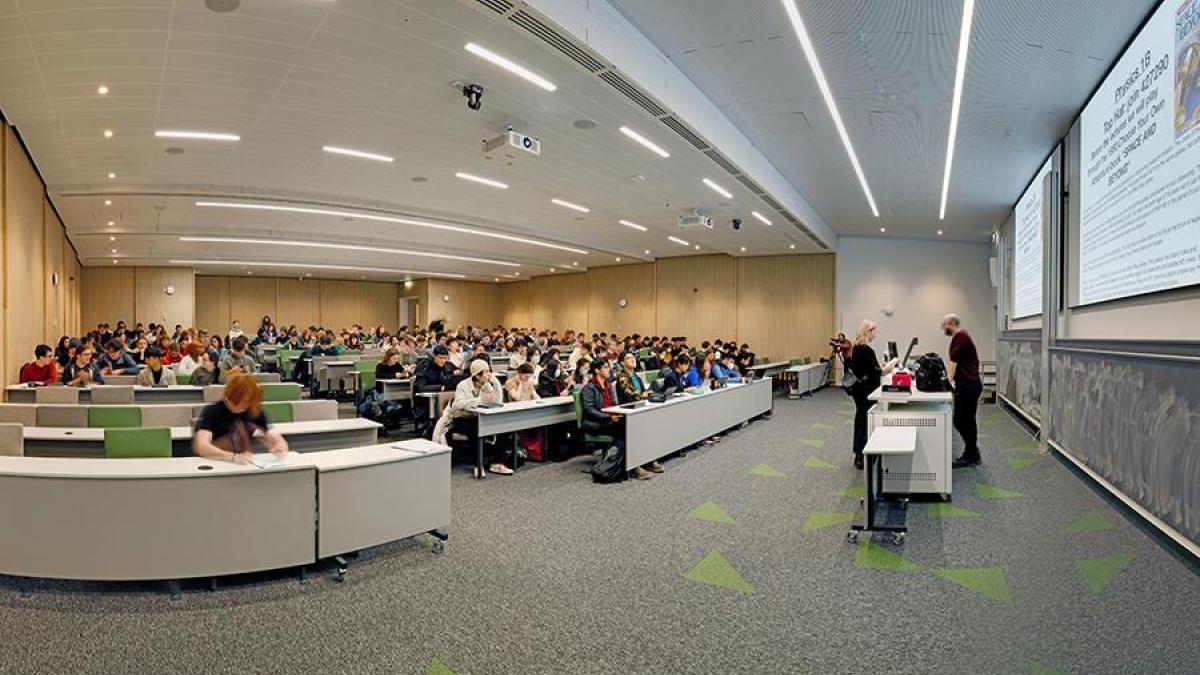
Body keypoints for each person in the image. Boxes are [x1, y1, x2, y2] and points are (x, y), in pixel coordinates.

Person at [582, 359, 652, 480]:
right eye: (605, 367)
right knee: (627, 428)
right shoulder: (589, 387)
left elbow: (615, 404)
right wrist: (609, 417)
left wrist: (618, 414)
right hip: (596, 423)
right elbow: (589, 410)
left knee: (633, 424)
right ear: (597, 370)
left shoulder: (608, 385)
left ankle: (640, 460)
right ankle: (634, 465)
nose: (608, 370)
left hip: (611, 419)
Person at [434, 359, 507, 476]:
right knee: (476, 428)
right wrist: (479, 400)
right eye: (487, 372)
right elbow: (458, 405)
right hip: (459, 419)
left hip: (477, 417)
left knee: (501, 426)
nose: (490, 375)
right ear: (477, 375)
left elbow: (497, 401)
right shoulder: (463, 385)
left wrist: (497, 384)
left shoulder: (487, 385)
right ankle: (477, 464)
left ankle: (496, 462)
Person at [192, 375, 289, 463]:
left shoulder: (254, 410)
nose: (240, 408)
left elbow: (271, 434)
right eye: (235, 403)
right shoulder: (213, 411)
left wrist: (280, 444)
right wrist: (232, 457)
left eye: (245, 404)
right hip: (217, 461)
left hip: (243, 463)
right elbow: (202, 446)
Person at [848, 320, 895, 470]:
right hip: (864, 390)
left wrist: (878, 366)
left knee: (861, 418)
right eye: (874, 331)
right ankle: (860, 455)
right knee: (863, 419)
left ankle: (860, 452)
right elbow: (874, 372)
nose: (875, 334)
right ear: (869, 331)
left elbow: (868, 368)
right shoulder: (866, 350)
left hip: (859, 389)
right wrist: (886, 368)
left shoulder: (858, 347)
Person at [943, 313, 983, 468]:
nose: (943, 327)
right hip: (969, 384)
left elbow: (954, 362)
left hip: (968, 385)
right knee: (965, 420)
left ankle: (972, 454)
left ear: (952, 323)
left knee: (961, 420)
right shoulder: (962, 336)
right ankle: (972, 452)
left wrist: (948, 382)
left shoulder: (960, 337)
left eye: (945, 324)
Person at [413, 345, 457, 436]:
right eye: (440, 358)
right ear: (434, 356)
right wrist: (440, 388)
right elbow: (420, 387)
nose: (443, 361)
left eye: (445, 358)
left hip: (444, 401)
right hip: (425, 403)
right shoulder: (424, 367)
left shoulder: (448, 366)